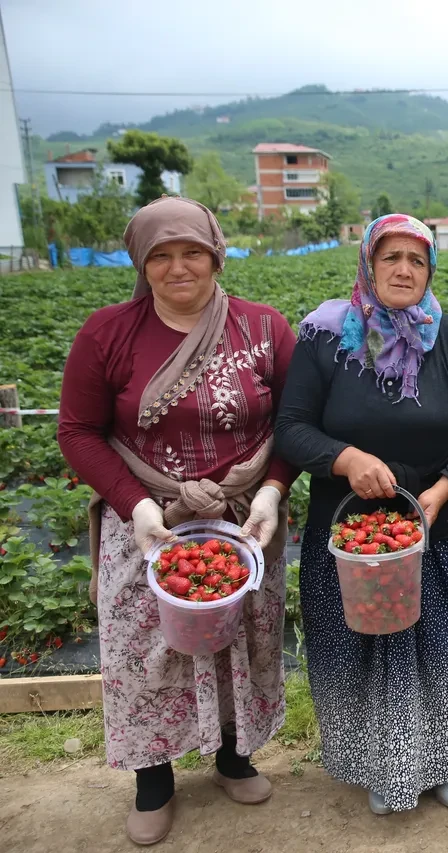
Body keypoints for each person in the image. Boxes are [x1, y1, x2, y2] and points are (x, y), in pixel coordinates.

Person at [57, 197, 296, 846]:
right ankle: (153, 778)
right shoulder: (107, 334)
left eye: (192, 251)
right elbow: (77, 431)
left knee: (243, 641)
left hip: (245, 522)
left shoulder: (264, 328)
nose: (178, 266)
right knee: (146, 650)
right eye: (159, 255)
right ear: (141, 263)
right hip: (147, 521)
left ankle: (233, 755)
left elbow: (294, 428)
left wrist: (273, 491)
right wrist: (133, 503)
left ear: (217, 253)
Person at [274, 213, 448, 815]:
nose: (404, 270)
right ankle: (384, 765)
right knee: (368, 648)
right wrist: (344, 458)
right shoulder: (325, 340)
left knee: (442, 645)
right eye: (391, 258)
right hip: (354, 534)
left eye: (417, 259)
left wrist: (441, 491)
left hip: (441, 527)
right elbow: (291, 429)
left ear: (430, 270)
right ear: (368, 264)